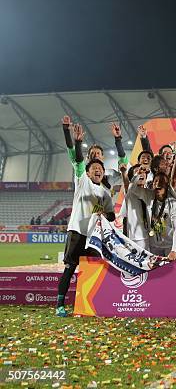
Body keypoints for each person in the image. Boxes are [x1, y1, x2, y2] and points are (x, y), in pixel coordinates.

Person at [56, 124, 115, 317]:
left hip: (93, 236)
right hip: (76, 232)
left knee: (91, 269)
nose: (97, 170)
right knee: (70, 267)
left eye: (100, 169)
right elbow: (79, 161)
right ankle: (60, 305)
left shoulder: (105, 192)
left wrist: (105, 216)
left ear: (103, 173)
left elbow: (111, 215)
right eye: (94, 168)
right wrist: (78, 141)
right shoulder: (82, 181)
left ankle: (88, 304)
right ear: (88, 172)